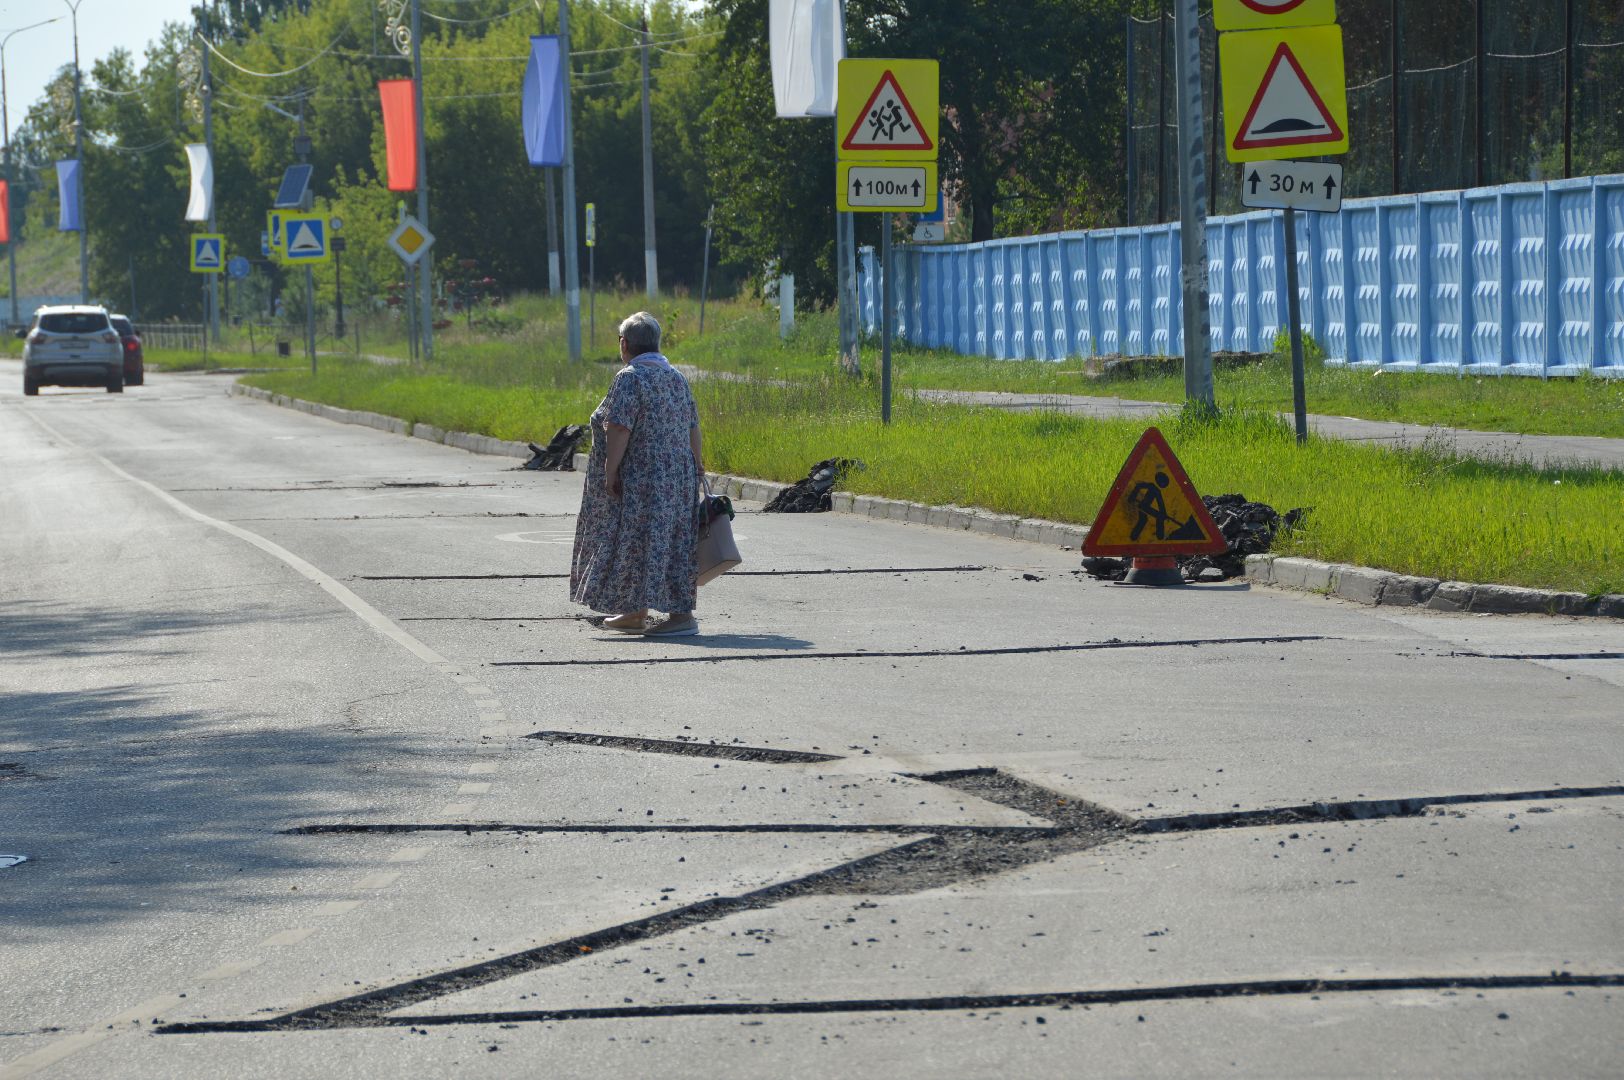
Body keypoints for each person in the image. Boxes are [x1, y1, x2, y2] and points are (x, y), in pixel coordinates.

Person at [570, 311, 704, 637]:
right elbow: (693, 426)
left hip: (643, 478)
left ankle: (662, 615)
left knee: (636, 540)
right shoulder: (676, 377)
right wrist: (697, 466)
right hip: (678, 476)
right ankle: (650, 613)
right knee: (670, 541)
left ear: (624, 344)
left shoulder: (630, 378)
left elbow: (619, 428)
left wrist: (610, 471)